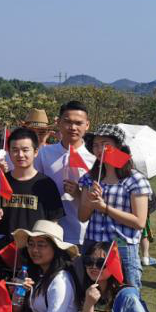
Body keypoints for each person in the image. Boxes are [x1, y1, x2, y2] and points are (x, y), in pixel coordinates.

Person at [77, 124, 151, 289]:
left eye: (105, 144)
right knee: (90, 292)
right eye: (96, 145)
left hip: (122, 247)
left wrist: (105, 208)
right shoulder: (90, 178)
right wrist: (90, 200)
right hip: (93, 245)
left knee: (127, 293)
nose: (100, 149)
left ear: (118, 147)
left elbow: (139, 222)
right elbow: (82, 217)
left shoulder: (135, 179)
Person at [33, 101, 96, 246]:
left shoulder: (94, 160)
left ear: (87, 125)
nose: (73, 127)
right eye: (68, 122)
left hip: (81, 233)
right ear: (58, 123)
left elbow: (97, 201)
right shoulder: (44, 153)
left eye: (78, 123)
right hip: (48, 232)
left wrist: (78, 194)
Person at [0, 128, 64, 239]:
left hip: (35, 246)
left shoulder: (46, 184)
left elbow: (54, 221)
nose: (20, 155)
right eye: (15, 150)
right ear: (9, 152)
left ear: (36, 152)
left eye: (25, 150)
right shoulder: (0, 181)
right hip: (5, 245)